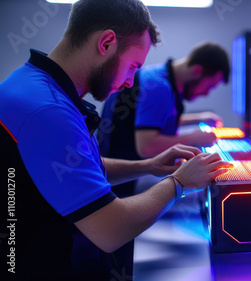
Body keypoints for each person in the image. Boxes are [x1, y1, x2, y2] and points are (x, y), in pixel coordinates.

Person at [0, 1, 231, 280]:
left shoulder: (33, 85)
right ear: (106, 42)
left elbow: (73, 167)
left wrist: (147, 165)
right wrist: (180, 183)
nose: (130, 83)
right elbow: (111, 230)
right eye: (133, 66)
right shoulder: (49, 111)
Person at [97, 42, 230, 198]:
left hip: (116, 173)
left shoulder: (159, 76)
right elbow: (147, 146)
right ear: (196, 71)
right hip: (116, 185)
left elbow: (155, 121)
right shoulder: (160, 88)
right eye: (209, 87)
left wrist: (199, 118)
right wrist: (195, 138)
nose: (206, 94)